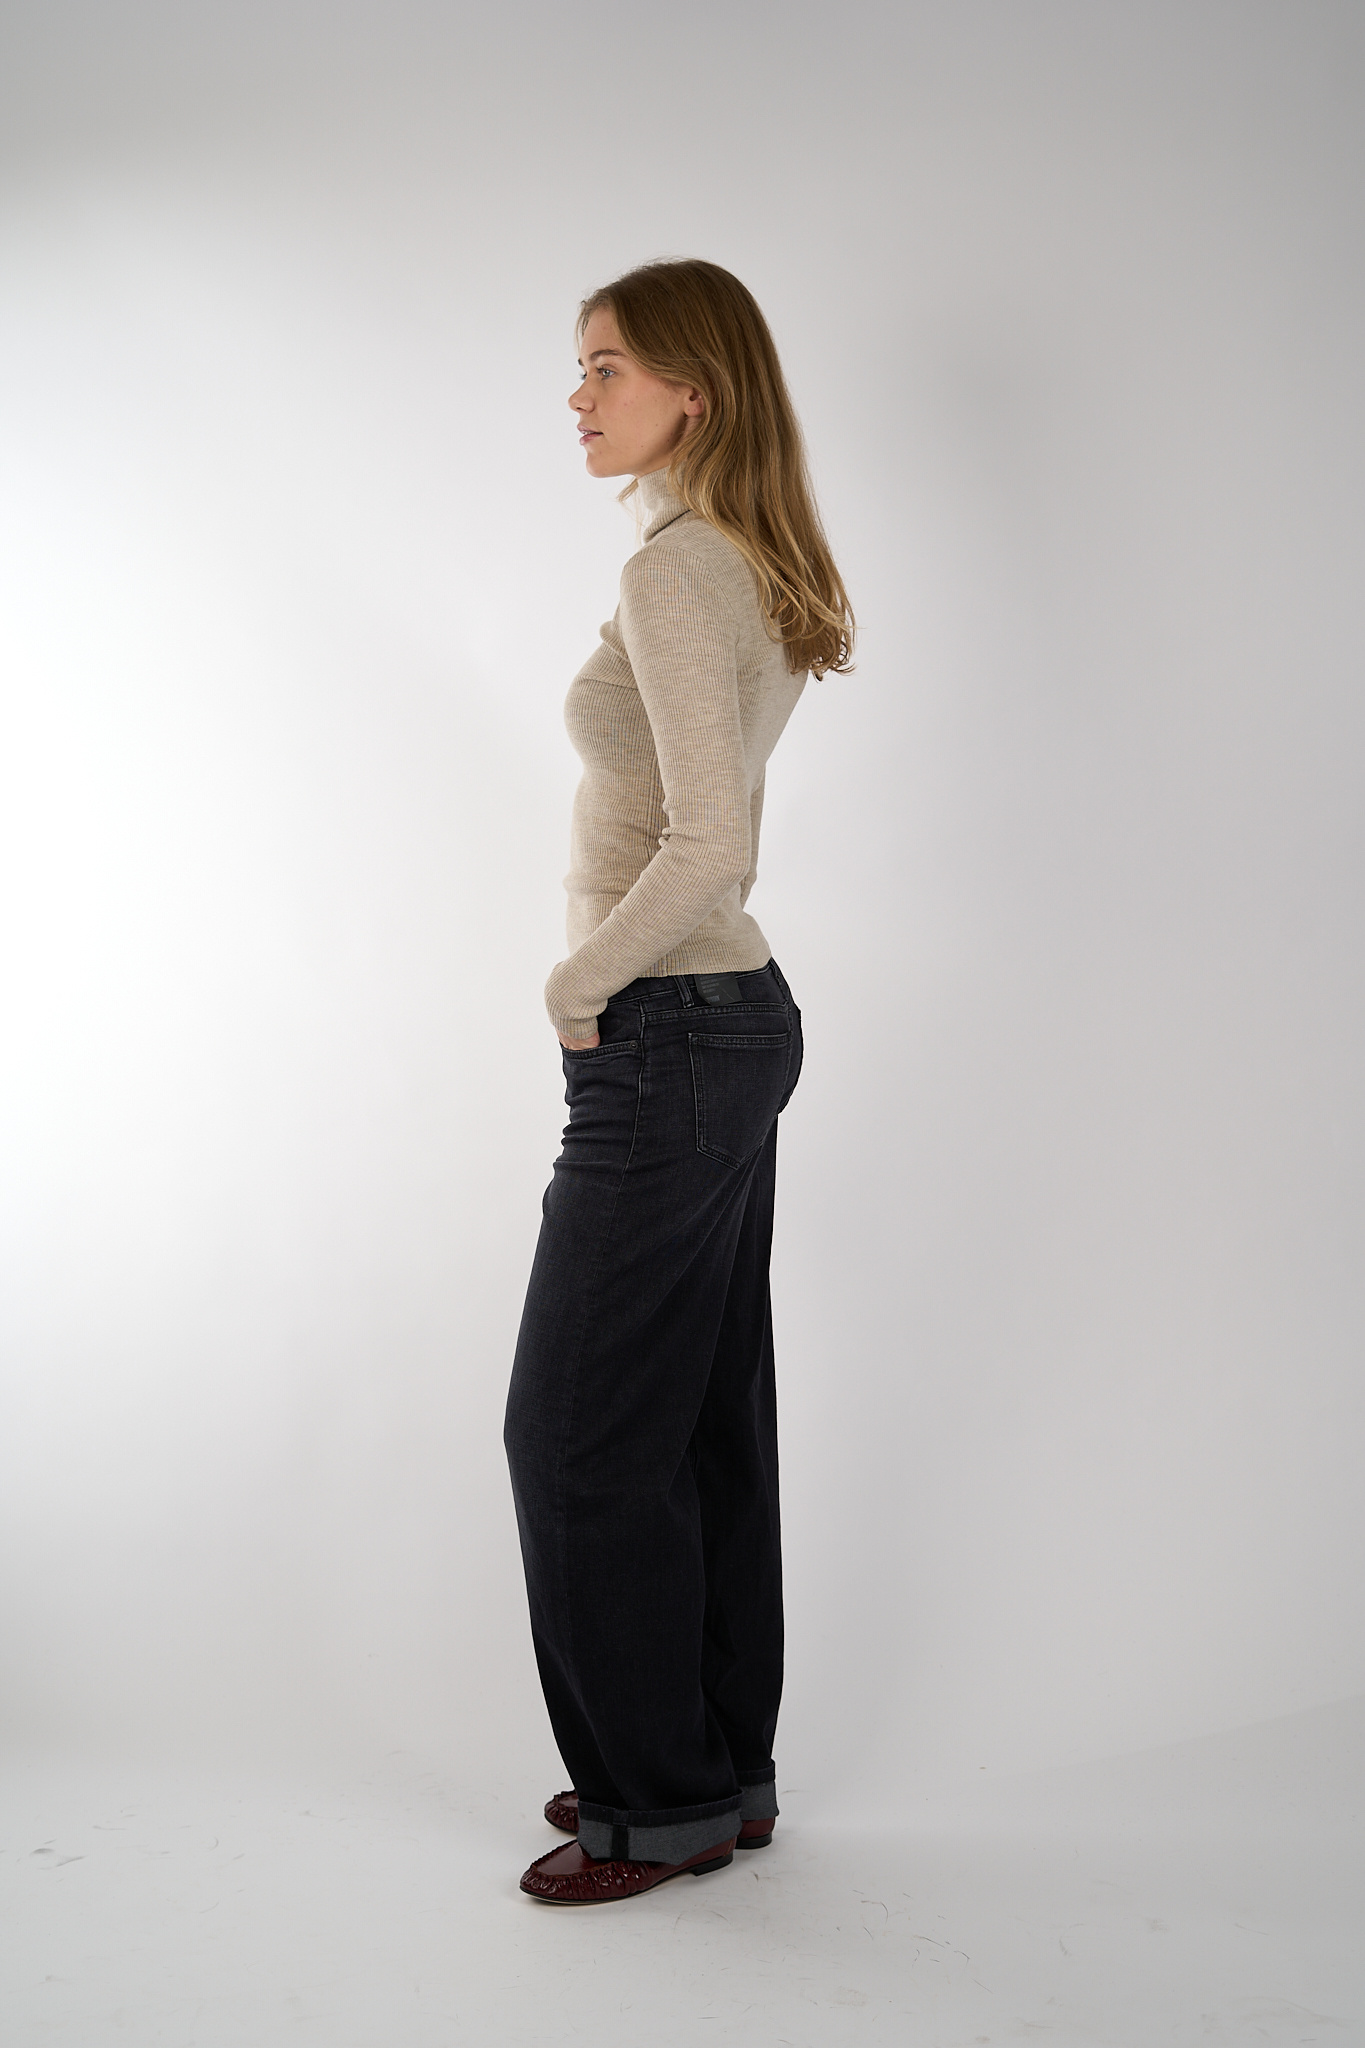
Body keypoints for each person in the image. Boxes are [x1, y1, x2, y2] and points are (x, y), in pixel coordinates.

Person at [504, 258, 854, 1905]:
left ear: (690, 391)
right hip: (729, 1021)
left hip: (667, 1029)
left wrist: (575, 982)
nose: (578, 396)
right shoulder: (730, 557)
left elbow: (709, 842)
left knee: (574, 1433)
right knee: (701, 1417)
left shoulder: (676, 574)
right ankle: (716, 1767)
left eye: (607, 367)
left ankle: (657, 1802)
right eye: (581, 368)